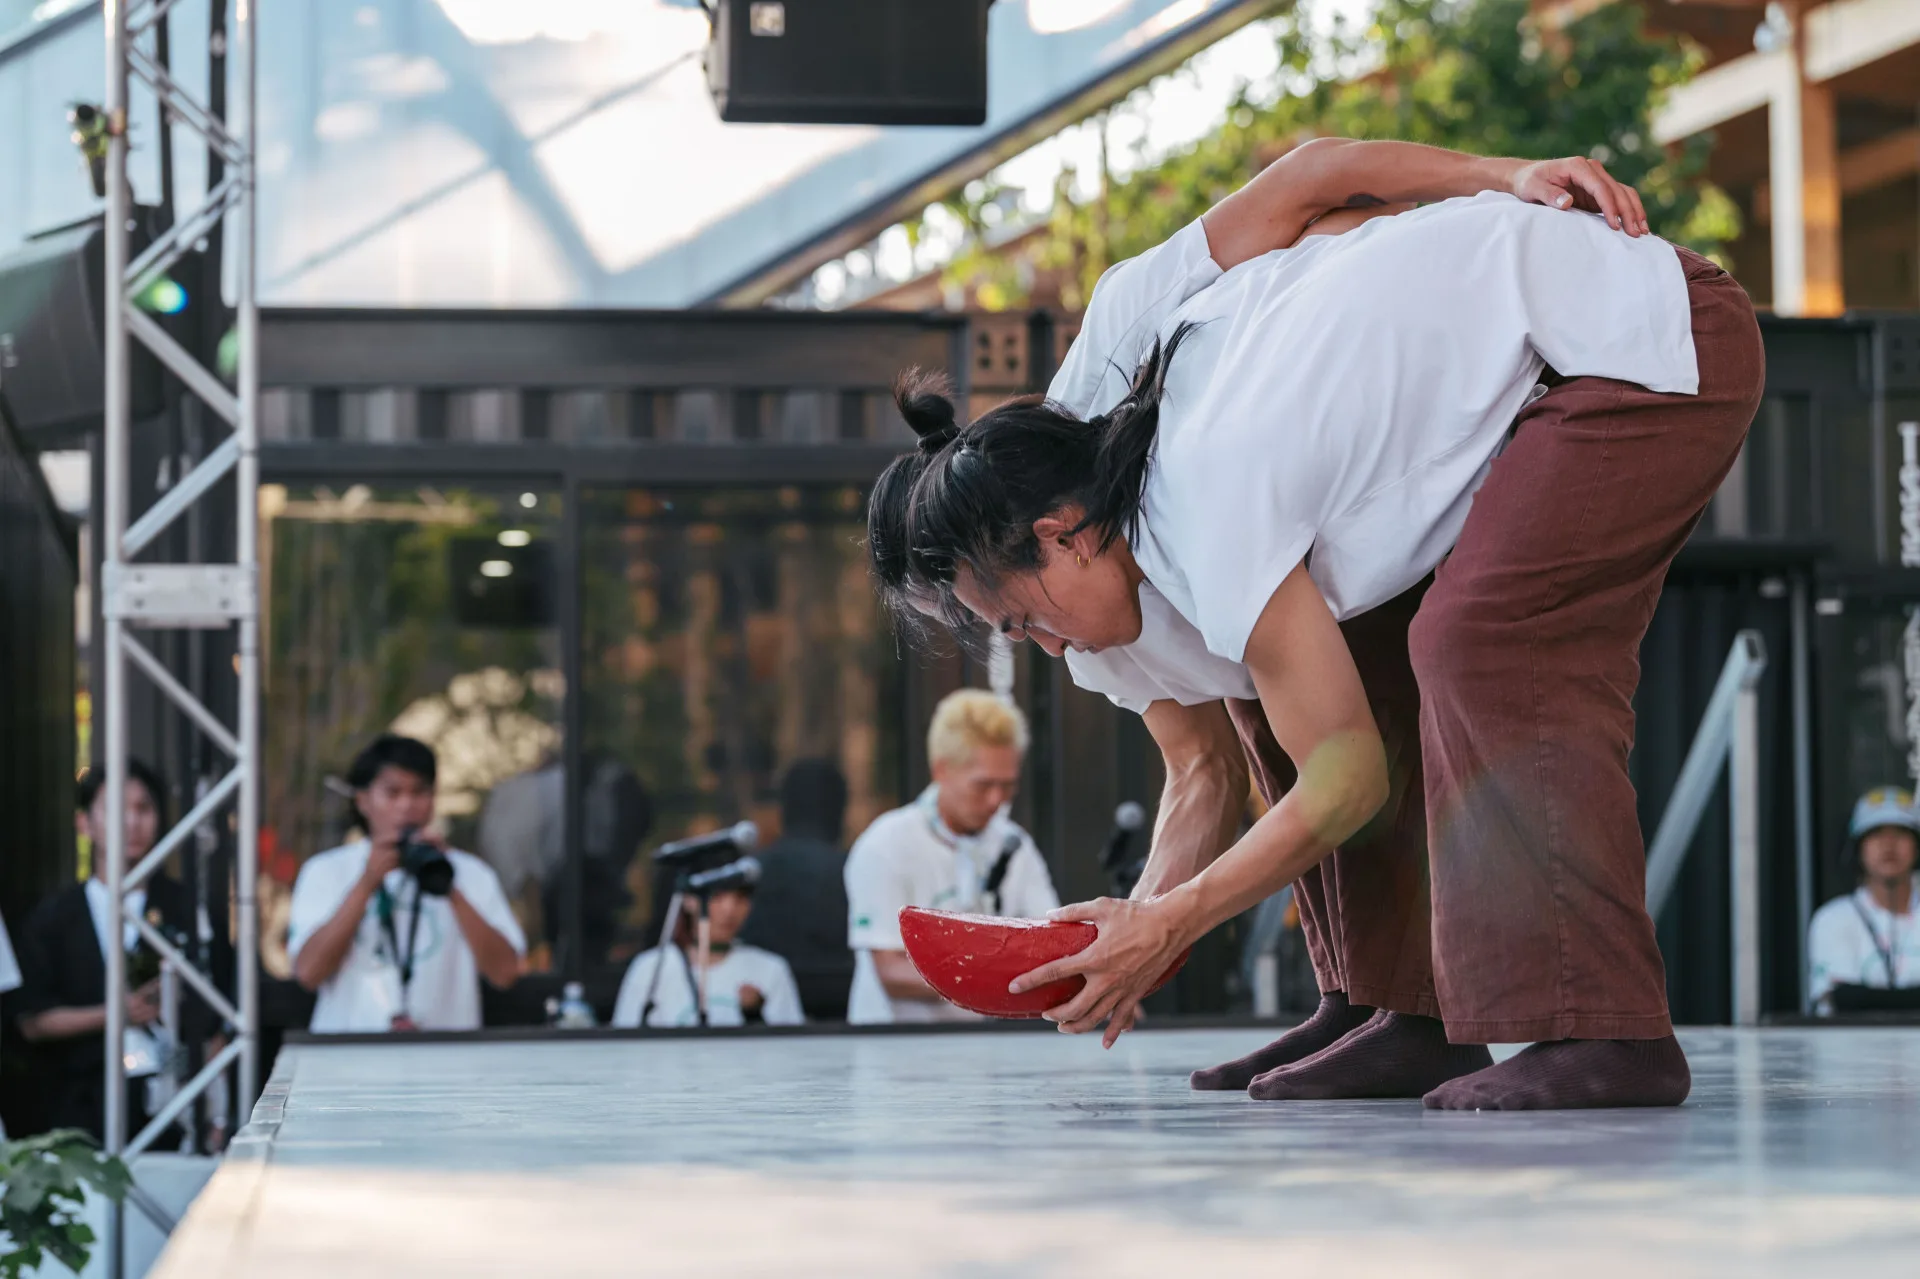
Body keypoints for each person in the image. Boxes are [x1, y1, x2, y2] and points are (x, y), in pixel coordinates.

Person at [868, 137, 1764, 1109]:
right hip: (1501, 386)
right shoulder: (1081, 514)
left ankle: (1608, 1031)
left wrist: (1509, 177)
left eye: (1019, 618)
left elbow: (1314, 175)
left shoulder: (1199, 487)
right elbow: (1202, 766)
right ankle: (1395, 1007)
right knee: (1293, 681)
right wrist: (1142, 921)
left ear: (1063, 535)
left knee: (1482, 640)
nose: (1033, 646)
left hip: (1629, 332)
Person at [12, 762, 230, 1146]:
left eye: (144, 809)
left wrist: (219, 1113)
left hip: (172, 1113)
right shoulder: (54, 917)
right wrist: (114, 1014)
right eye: (115, 810)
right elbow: (32, 1021)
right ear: (85, 824)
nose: (132, 822)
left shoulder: (184, 909)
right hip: (75, 1118)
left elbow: (215, 1023)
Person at [843, 690, 1060, 1024]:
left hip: (987, 1059)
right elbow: (889, 972)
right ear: (941, 769)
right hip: (897, 1059)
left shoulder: (1015, 843)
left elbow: (1049, 946)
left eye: (1008, 787)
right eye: (983, 785)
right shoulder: (885, 844)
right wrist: (998, 977)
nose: (996, 801)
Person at [289, 734, 526, 1033]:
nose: (407, 805)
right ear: (363, 800)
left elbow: (505, 973)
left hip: (444, 1061)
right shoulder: (326, 871)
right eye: (393, 793)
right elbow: (309, 973)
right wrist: (366, 884)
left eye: (420, 792)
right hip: (349, 1063)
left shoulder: (470, 873)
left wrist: (447, 884)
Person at [739, 759, 854, 1020]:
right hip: (842, 1018)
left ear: (785, 808)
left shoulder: (752, 871)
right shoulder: (853, 871)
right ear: (837, 809)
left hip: (761, 1019)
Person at [611, 877, 805, 1028]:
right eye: (717, 895)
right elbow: (625, 1054)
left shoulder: (771, 969)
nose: (729, 910)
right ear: (688, 900)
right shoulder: (651, 968)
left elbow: (789, 1057)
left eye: (740, 897)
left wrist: (755, 1015)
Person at [1809, 788, 1920, 1014]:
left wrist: (1868, 998)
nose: (1889, 845)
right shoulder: (1833, 919)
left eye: (1900, 833)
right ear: (1857, 849)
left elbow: (1857, 998)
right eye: (1876, 833)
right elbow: (1842, 1000)